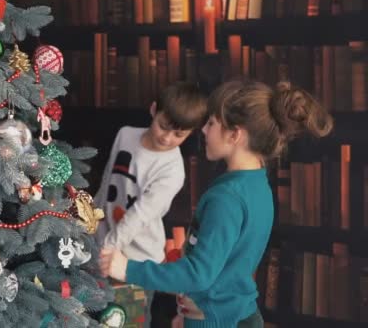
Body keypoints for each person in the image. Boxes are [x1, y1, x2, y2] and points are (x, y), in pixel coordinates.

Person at [99, 80, 333, 328]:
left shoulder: (227, 198)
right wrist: (190, 310)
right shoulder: (256, 184)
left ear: (234, 134)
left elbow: (198, 273)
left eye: (211, 123)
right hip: (230, 313)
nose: (203, 130)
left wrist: (127, 269)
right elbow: (227, 264)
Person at [95, 82, 208, 327]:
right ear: (154, 109)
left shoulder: (172, 171)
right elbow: (107, 183)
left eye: (179, 135)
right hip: (103, 245)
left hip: (137, 261)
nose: (167, 138)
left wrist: (108, 250)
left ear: (191, 133)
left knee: (126, 322)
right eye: (163, 126)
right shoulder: (125, 134)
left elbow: (139, 216)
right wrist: (89, 221)